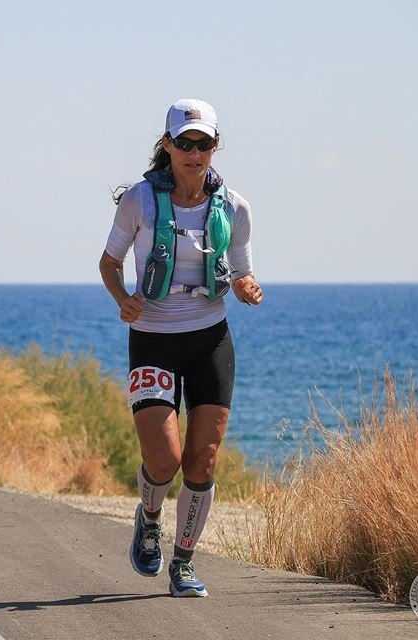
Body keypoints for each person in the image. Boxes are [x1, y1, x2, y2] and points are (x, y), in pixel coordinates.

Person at [99, 98, 262, 598]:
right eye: (184, 142)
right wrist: (124, 299)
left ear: (217, 147)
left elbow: (241, 268)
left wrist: (245, 287)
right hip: (151, 338)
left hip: (210, 337)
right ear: (167, 145)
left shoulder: (234, 206)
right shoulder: (140, 201)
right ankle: (150, 518)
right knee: (165, 460)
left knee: (203, 459)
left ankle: (184, 563)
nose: (194, 152)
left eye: (204, 143)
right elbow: (109, 263)